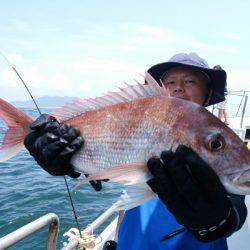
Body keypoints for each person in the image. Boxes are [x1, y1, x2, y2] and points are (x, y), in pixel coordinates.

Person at [24, 53, 247, 250]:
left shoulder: (213, 132)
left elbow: (237, 205)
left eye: (190, 81)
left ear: (207, 95)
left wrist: (218, 221)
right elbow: (112, 157)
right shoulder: (143, 122)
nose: (178, 87)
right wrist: (66, 159)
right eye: (170, 81)